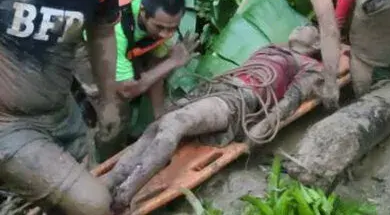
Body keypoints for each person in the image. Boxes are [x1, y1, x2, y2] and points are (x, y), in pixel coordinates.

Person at [100, 25, 349, 211]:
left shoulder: (308, 65)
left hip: (239, 101)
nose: (302, 25)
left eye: (310, 27)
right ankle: (113, 179)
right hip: (221, 89)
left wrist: (260, 130)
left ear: (317, 45)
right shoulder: (273, 48)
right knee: (158, 126)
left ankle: (125, 194)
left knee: (175, 123)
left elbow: (290, 100)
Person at [0, 0, 134, 215]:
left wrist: (107, 101)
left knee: (91, 190)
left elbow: (102, 34)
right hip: (8, 124)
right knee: (93, 204)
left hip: (62, 114)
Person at [75, 0, 199, 161]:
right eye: (160, 27)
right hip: (88, 41)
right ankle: (103, 160)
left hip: (132, 42)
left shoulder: (164, 21)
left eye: (172, 28)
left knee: (160, 65)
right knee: (116, 112)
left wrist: (159, 116)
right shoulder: (116, 29)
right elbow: (126, 91)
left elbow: (156, 67)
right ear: (143, 12)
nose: (166, 33)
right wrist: (172, 61)